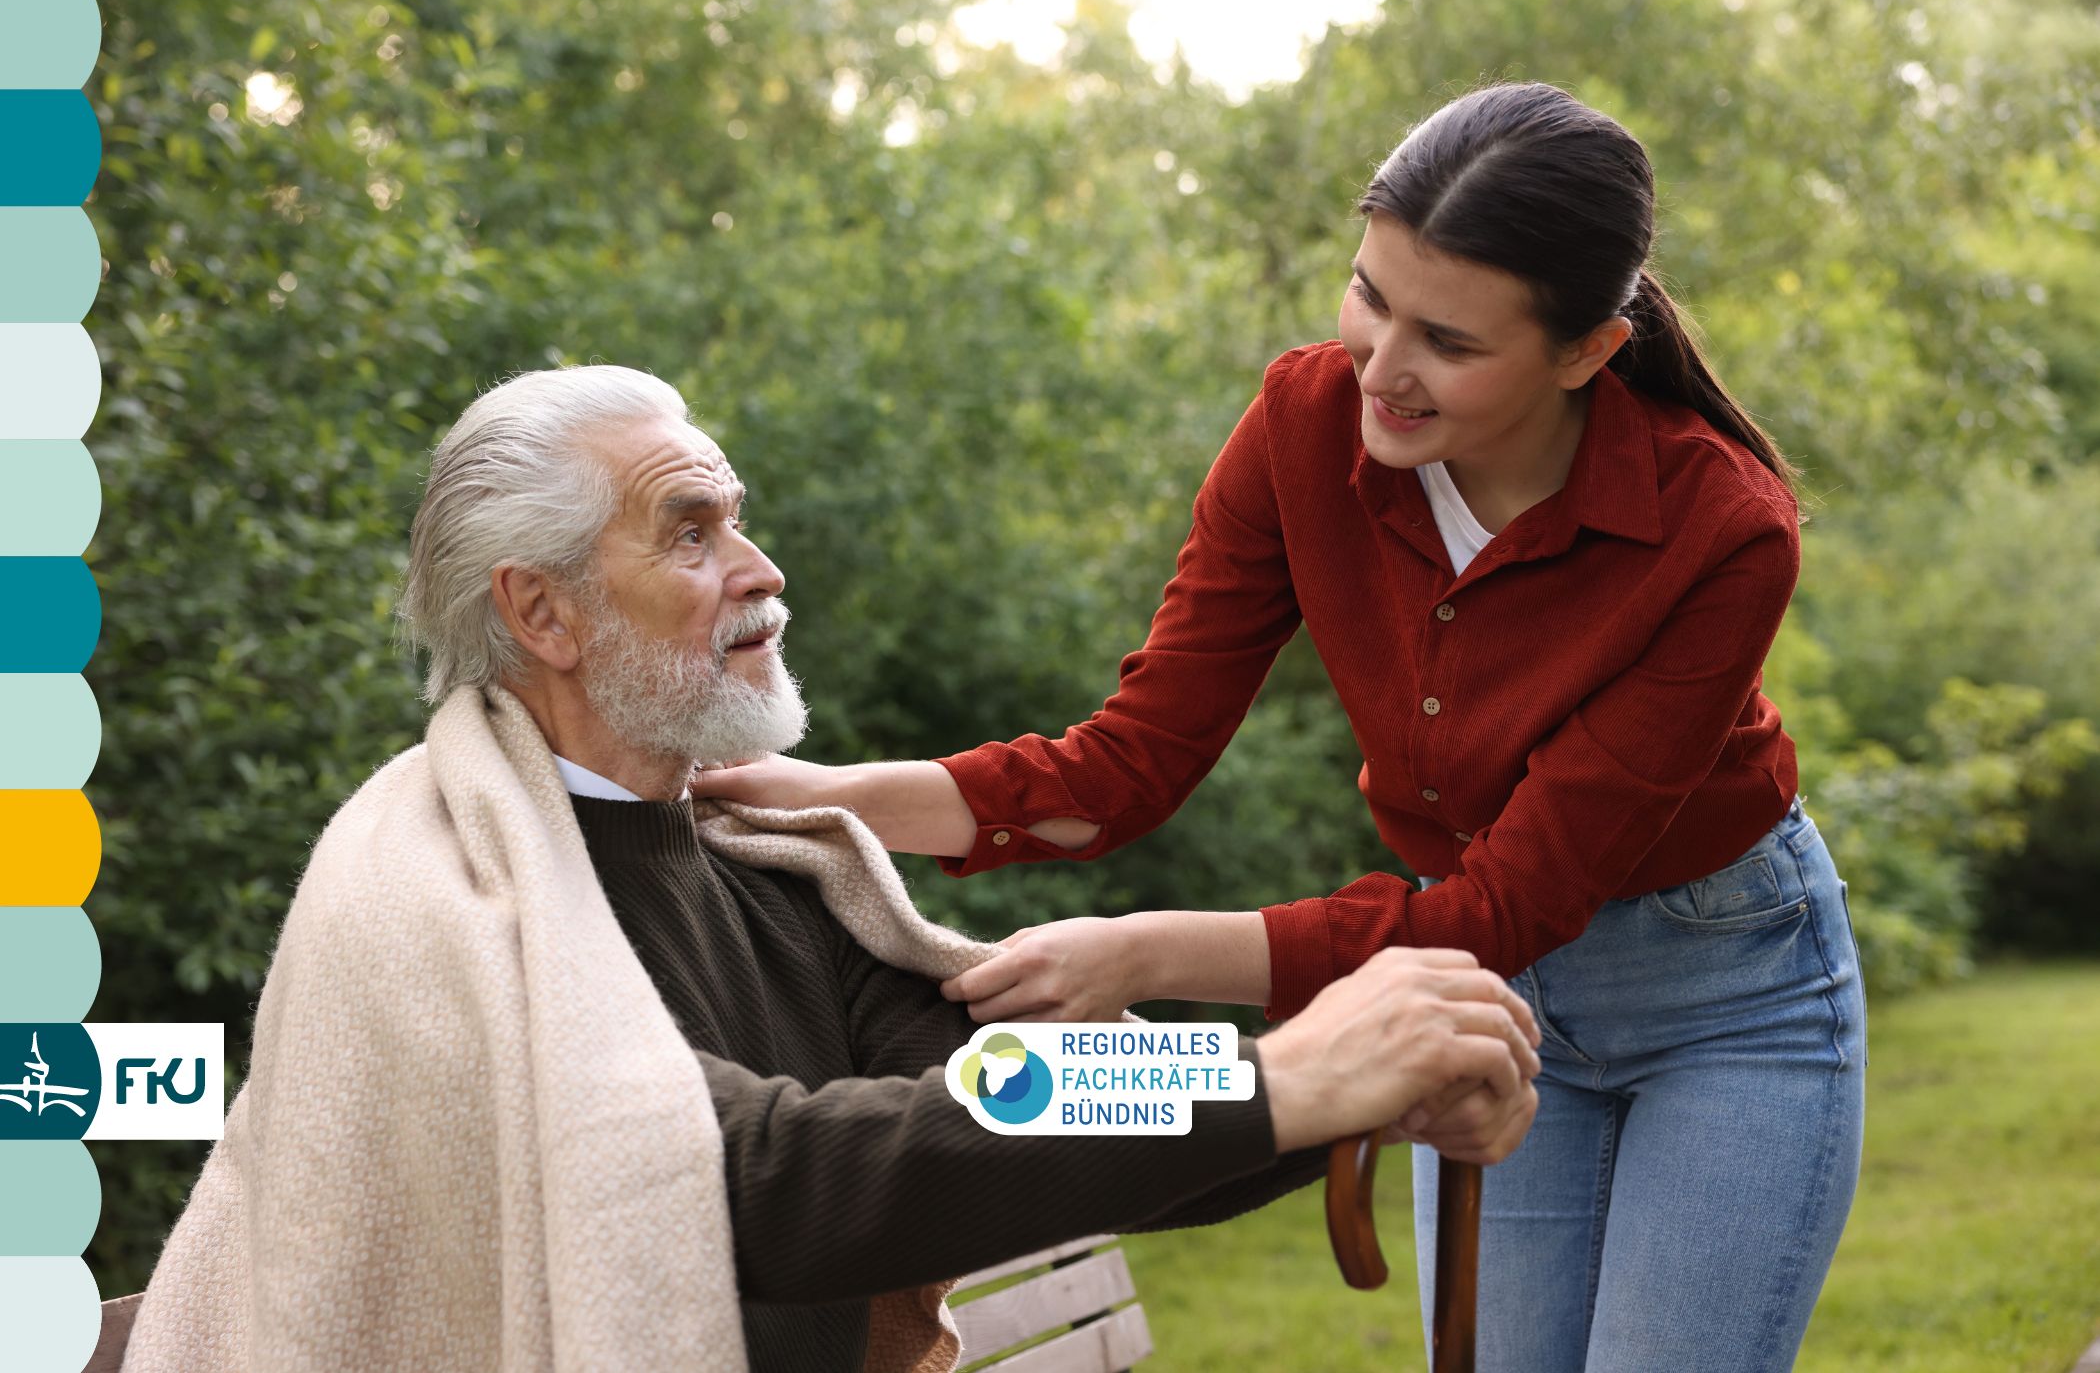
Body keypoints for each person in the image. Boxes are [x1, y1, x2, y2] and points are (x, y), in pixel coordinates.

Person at [698, 82, 1868, 1372]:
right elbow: (1122, 768)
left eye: (1450, 342)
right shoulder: (1305, 428)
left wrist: (1143, 954)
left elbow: (1504, 906)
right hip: (1472, 989)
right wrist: (805, 793)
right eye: (1369, 295)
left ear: (1587, 350)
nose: (1380, 367)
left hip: (1718, 996)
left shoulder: (1724, 530)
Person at [121, 365, 1540, 1373]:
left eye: (737, 518)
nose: (760, 568)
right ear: (540, 611)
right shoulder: (422, 900)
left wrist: (1331, 1090)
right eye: (691, 532)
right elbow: (741, 1174)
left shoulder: (765, 866)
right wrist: (1293, 1084)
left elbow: (1011, 1086)